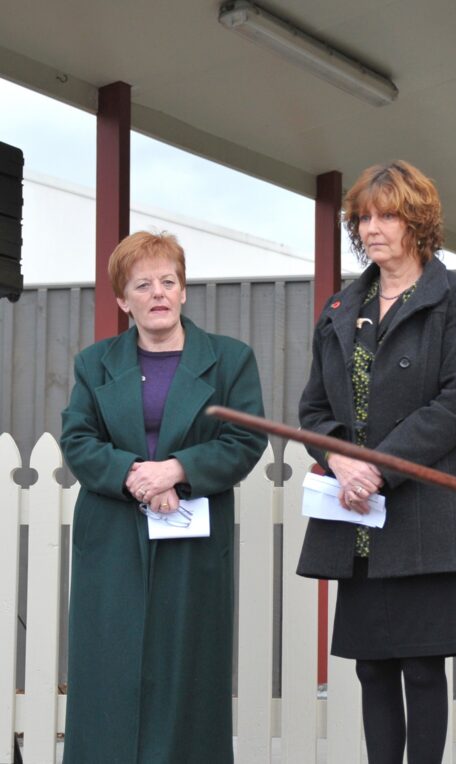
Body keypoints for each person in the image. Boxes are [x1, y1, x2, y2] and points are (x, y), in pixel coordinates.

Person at [296, 160, 456, 764]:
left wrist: (374, 466)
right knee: (373, 670)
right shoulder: (340, 307)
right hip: (356, 519)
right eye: (364, 217)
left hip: (423, 515)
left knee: (423, 667)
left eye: (387, 215)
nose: (372, 227)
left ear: (418, 221)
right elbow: (312, 408)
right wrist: (338, 458)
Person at [60, 231, 267, 763]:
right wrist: (136, 475)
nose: (158, 293)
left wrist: (178, 469)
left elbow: (245, 438)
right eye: (143, 284)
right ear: (122, 300)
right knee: (109, 674)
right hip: (111, 542)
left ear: (184, 292)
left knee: (188, 678)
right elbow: (78, 441)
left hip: (193, 541)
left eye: (168, 282)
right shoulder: (94, 363)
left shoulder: (229, 360)